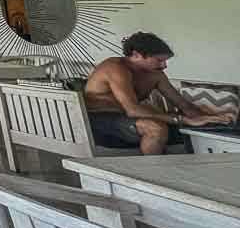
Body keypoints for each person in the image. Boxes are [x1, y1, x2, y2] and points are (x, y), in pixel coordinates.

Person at [84, 32, 236, 154]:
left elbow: (183, 104)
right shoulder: (115, 67)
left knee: (197, 129)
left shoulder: (155, 74)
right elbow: (132, 109)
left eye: (165, 61)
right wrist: (182, 120)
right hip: (99, 122)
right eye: (159, 60)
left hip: (131, 121)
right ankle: (153, 176)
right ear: (136, 55)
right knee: (156, 128)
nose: (164, 66)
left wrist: (210, 119)